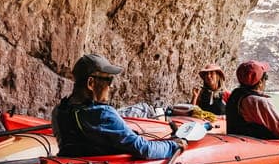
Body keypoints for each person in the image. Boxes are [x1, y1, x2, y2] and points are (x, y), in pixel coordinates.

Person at [53, 54, 187, 158]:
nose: (110, 87)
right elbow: (145, 150)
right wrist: (173, 145)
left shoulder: (58, 111)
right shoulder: (103, 114)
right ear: (91, 83)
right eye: (108, 80)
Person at [225, 60, 279, 140]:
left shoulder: (235, 95)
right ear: (260, 82)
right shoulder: (258, 102)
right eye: (266, 78)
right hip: (256, 146)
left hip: (238, 142)